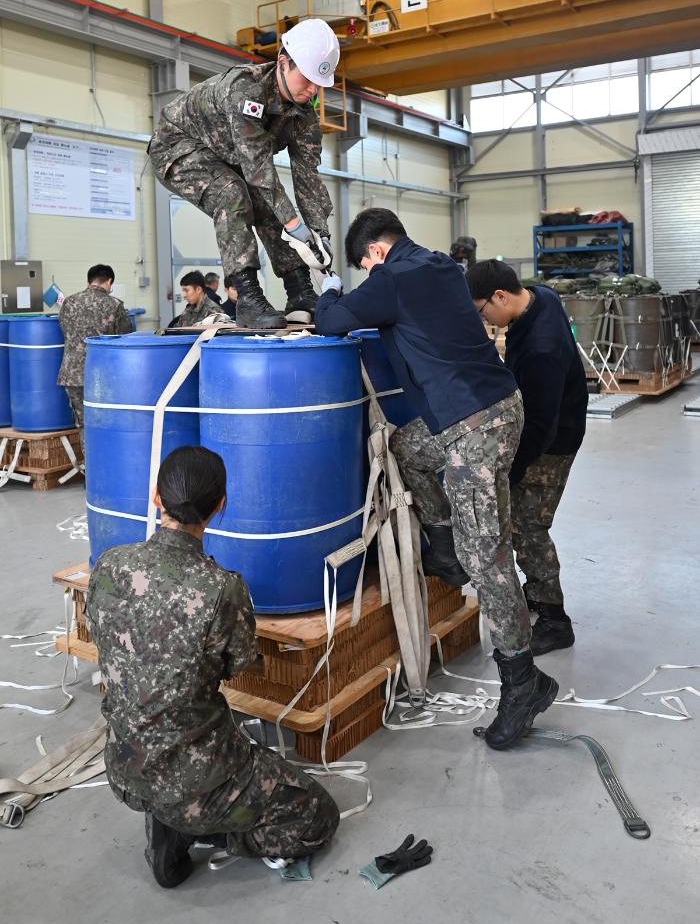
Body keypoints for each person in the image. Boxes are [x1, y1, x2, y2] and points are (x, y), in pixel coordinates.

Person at [314, 209, 558, 750]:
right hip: (489, 407)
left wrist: (330, 290)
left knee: (488, 559)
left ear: (375, 252)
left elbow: (330, 321)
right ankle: (443, 543)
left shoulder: (394, 279)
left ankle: (524, 681)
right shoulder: (442, 266)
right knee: (407, 447)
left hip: (472, 425)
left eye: (363, 264)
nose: (365, 273)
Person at [85, 445, 339, 889]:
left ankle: (171, 820)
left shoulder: (110, 565)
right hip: (198, 780)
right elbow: (237, 666)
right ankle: (198, 826)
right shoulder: (221, 590)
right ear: (221, 505)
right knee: (318, 816)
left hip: (124, 769)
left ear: (155, 497)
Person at [148, 19, 339, 330]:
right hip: (177, 145)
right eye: (306, 79)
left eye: (320, 83)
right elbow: (259, 172)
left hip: (228, 156)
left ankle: (300, 291)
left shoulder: (304, 113)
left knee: (270, 204)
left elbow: (308, 175)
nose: (313, 90)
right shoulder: (246, 92)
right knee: (233, 193)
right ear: (282, 63)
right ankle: (248, 295)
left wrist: (319, 233)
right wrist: (295, 227)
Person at [467, 260, 588, 654]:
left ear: (501, 296)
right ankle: (538, 594)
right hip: (550, 420)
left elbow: (540, 428)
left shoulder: (542, 349)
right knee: (524, 522)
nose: (486, 321)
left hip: (553, 441)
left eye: (483, 311)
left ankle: (555, 619)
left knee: (527, 527)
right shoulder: (541, 296)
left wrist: (511, 471)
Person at [57, 264, 132, 451]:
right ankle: (106, 466)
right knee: (107, 421)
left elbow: (64, 330)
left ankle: (90, 471)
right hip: (103, 375)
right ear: (109, 281)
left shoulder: (69, 302)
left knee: (83, 424)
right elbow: (124, 339)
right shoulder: (115, 305)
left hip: (72, 375)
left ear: (88, 281)